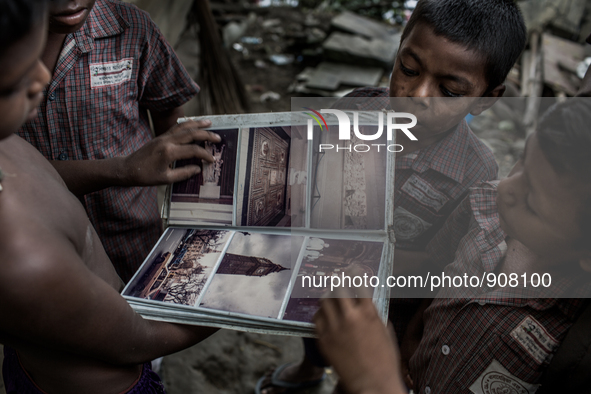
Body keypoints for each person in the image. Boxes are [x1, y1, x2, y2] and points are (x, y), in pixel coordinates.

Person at [256, 1, 526, 392]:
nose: (415, 94)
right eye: (409, 68)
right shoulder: (357, 106)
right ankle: (311, 369)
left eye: (449, 91)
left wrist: (350, 256)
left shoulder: (476, 172)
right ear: (399, 47)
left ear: (485, 99)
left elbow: (439, 263)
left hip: (387, 312)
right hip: (318, 275)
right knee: (316, 331)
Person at [0, 0, 221, 392]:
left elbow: (171, 115)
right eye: (13, 81)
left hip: (132, 239)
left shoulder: (11, 152)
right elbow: (139, 339)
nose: (40, 78)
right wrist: (244, 303)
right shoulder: (25, 259)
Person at [314, 99, 591, 393]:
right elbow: (440, 276)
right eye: (522, 160)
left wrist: (374, 380)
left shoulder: (574, 343)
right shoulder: (482, 207)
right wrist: (414, 333)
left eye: (532, 202)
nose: (506, 188)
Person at [17, 0, 208, 283]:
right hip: (36, 244)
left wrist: (189, 214)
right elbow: (15, 177)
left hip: (132, 239)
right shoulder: (11, 48)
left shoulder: (132, 29)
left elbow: (169, 116)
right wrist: (122, 169)